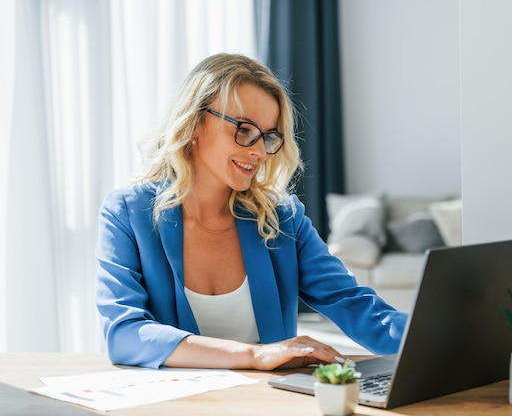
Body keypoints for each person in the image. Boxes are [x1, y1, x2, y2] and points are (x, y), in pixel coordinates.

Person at [95, 53, 407, 370]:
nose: (259, 152)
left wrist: (437, 340)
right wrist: (254, 355)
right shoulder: (127, 213)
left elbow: (354, 304)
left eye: (269, 136)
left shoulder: (282, 219)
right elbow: (124, 334)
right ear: (195, 122)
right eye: (244, 129)